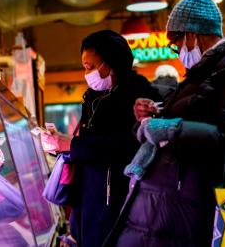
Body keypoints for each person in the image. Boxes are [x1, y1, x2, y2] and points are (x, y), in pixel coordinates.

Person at [104, 0, 225, 246]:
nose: (176, 50)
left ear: (192, 35)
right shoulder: (199, 73)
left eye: (176, 42)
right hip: (169, 201)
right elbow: (194, 116)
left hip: (190, 204)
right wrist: (154, 114)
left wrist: (171, 129)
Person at [41, 30, 160, 247]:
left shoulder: (139, 94)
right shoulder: (93, 97)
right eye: (84, 66)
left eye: (90, 66)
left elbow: (129, 147)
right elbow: (89, 145)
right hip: (89, 200)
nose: (86, 73)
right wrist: (62, 143)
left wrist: (72, 144)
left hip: (120, 201)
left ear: (111, 62)